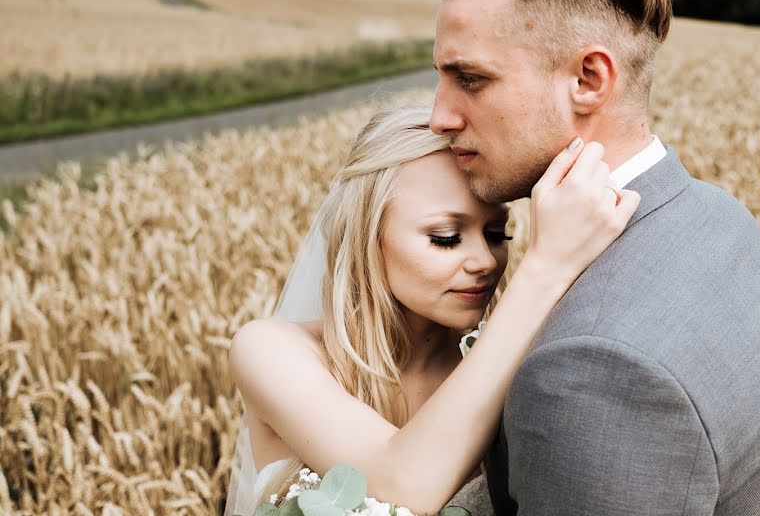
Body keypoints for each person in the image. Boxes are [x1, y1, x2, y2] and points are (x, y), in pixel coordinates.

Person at [430, 0, 760, 515]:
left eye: (470, 79)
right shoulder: (725, 223)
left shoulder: (596, 373)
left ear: (588, 79)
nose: (440, 117)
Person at [224, 107, 639, 515]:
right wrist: (547, 266)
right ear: (370, 237)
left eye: (498, 233)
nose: (485, 261)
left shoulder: (521, 364)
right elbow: (404, 486)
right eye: (445, 237)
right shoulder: (270, 350)